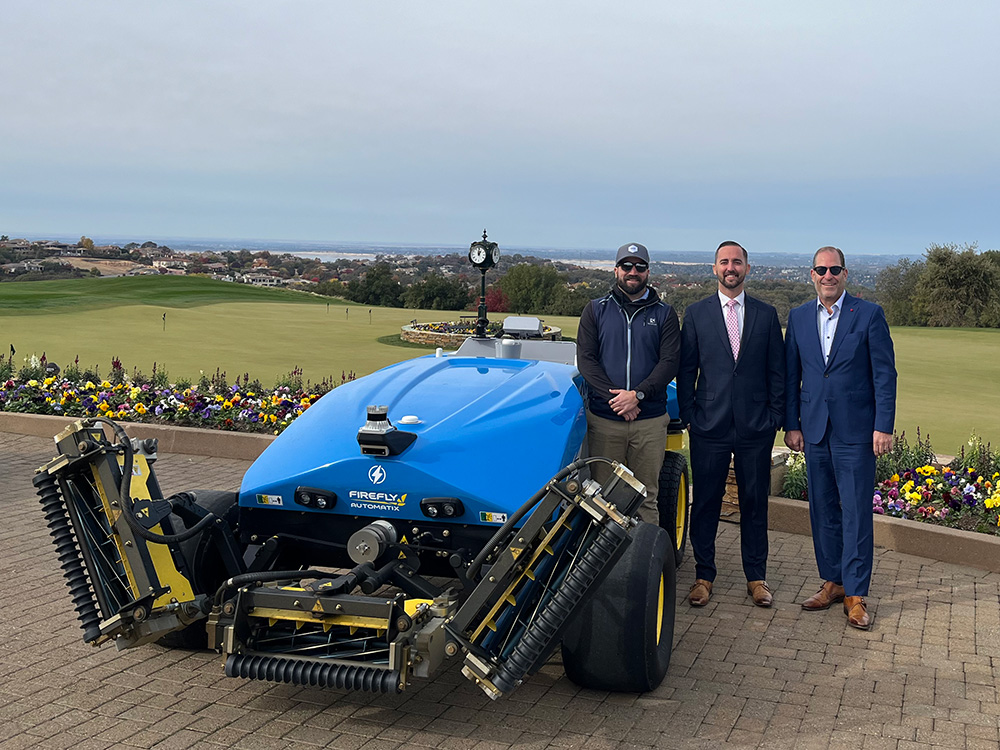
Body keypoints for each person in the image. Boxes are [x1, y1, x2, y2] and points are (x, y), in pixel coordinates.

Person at [784, 246, 896, 630]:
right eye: (821, 269)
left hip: (856, 432)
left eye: (835, 269)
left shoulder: (868, 314)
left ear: (845, 274)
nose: (828, 275)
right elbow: (790, 376)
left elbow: (885, 375)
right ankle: (832, 582)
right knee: (823, 511)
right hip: (814, 429)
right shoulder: (798, 317)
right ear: (811, 275)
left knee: (857, 513)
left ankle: (856, 594)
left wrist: (884, 426)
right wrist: (792, 424)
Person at [677, 241, 785, 608]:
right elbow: (686, 370)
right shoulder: (696, 313)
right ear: (714, 269)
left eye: (737, 262)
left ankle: (757, 577)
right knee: (705, 502)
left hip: (756, 427)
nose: (730, 267)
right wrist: (691, 416)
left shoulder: (766, 315)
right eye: (724, 262)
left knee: (754, 503)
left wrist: (774, 419)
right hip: (709, 426)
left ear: (747, 269)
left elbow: (777, 372)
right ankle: (703, 575)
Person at [577, 242, 681, 523]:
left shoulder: (664, 313)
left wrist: (638, 396)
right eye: (627, 266)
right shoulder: (595, 310)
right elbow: (586, 361)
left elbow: (669, 363)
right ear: (616, 270)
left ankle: (644, 565)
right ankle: (605, 568)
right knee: (602, 499)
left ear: (648, 272)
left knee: (646, 497)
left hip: (649, 422)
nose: (632, 271)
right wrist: (619, 399)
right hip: (605, 420)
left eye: (639, 267)